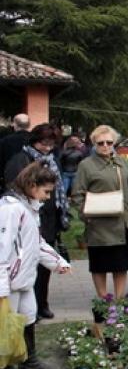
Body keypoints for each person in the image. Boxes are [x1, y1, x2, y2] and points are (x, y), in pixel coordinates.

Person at [0, 162, 71, 369]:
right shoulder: (10, 209)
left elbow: (36, 243)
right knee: (8, 326)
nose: (48, 197)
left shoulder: (30, 207)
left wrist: (57, 261)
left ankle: (29, 361)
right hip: (9, 280)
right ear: (32, 185)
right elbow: (2, 248)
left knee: (28, 316)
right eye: (46, 191)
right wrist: (2, 286)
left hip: (24, 278)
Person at [4, 123, 69, 320]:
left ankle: (42, 303)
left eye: (51, 144)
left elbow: (58, 189)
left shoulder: (51, 160)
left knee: (42, 264)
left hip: (48, 218)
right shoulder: (20, 160)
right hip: (28, 218)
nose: (48, 147)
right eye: (44, 143)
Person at [71, 125, 128, 298]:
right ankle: (103, 301)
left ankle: (119, 301)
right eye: (100, 143)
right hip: (99, 225)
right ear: (94, 143)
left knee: (121, 265)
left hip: (123, 223)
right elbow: (77, 194)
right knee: (99, 266)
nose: (105, 146)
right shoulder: (86, 165)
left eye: (109, 142)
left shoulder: (121, 162)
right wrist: (86, 216)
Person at [0, 113, 31, 187]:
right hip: (32, 179)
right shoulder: (36, 140)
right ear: (29, 125)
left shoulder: (5, 141)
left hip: (11, 179)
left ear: (15, 125)